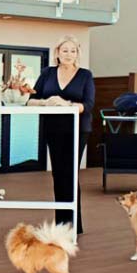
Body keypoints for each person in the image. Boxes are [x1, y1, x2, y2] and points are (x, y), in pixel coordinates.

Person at [30, 36, 93, 232]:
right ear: (57, 53)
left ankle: (74, 225)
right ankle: (62, 223)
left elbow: (89, 105)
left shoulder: (85, 75)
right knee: (59, 175)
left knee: (70, 173)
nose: (68, 54)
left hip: (77, 130)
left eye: (72, 51)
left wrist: (68, 105)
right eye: (64, 50)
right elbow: (31, 100)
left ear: (77, 54)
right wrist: (46, 102)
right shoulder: (47, 73)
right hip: (53, 129)